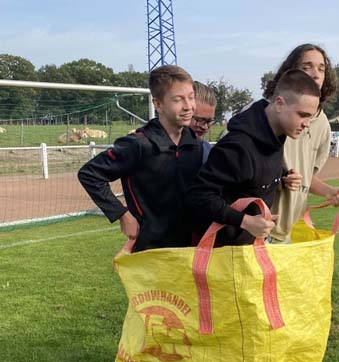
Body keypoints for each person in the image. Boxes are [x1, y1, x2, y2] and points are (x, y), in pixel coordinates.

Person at [185, 69, 321, 246]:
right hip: (220, 256)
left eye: (311, 117)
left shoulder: (276, 137)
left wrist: (283, 176)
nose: (307, 124)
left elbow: (249, 177)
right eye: (302, 115)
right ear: (279, 104)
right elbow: (198, 196)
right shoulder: (237, 146)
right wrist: (245, 221)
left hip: (249, 251)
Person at [78, 64, 202, 252]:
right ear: (158, 104)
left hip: (190, 247)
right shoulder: (138, 144)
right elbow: (89, 174)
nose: (188, 106)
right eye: (178, 100)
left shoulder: (193, 142)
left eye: (191, 97)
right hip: (150, 250)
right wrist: (122, 214)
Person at [264, 44, 339, 243]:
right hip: (256, 230)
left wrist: (328, 191)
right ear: (290, 72)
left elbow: (307, 176)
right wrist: (279, 179)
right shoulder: (267, 113)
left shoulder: (322, 125)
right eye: (307, 67)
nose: (315, 74)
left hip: (287, 233)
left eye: (321, 68)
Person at [191, 81, 217, 163]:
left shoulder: (209, 153)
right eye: (200, 120)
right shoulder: (155, 151)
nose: (205, 127)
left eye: (209, 121)